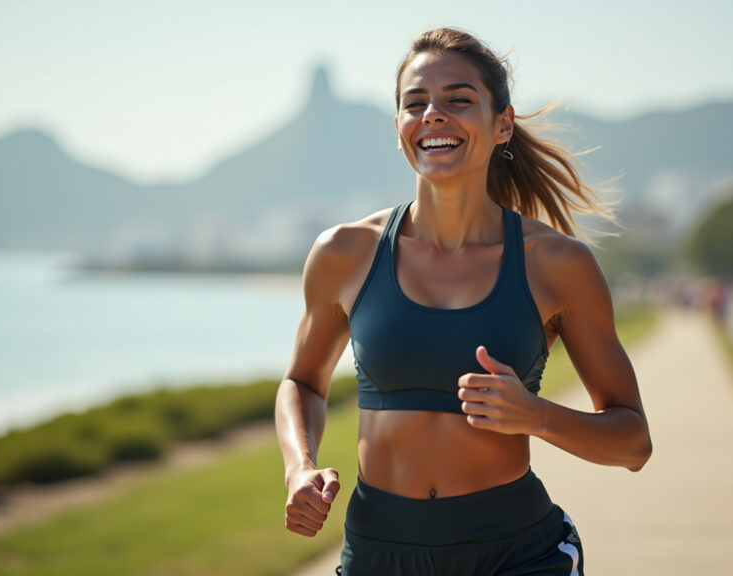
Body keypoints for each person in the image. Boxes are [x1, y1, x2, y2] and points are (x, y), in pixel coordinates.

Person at [275, 28, 651, 575]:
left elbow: (632, 442)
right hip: (378, 555)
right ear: (399, 127)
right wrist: (299, 467)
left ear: (503, 124)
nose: (433, 115)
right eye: (415, 103)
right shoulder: (343, 253)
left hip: (518, 556)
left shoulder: (558, 265)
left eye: (458, 100)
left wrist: (535, 415)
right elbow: (302, 383)